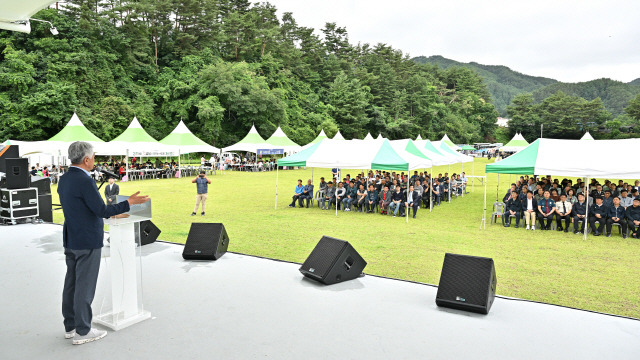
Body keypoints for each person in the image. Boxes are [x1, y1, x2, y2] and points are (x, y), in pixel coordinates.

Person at [58, 141, 148, 345]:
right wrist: (130, 203)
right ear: (87, 159)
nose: (95, 161)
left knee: (71, 282)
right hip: (87, 240)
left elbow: (81, 208)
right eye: (94, 157)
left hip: (71, 237)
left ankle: (71, 326)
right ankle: (83, 330)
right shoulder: (85, 181)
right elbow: (101, 211)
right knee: (85, 285)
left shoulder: (64, 179)